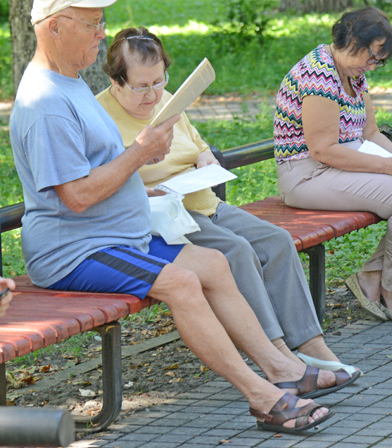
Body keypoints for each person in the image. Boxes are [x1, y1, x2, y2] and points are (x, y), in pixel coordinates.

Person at [8, 0, 353, 434]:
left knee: (212, 263)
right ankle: (263, 397)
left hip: (116, 235)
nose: (102, 33)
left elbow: (95, 173)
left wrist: (136, 172)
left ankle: (283, 367)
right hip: (77, 250)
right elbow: (76, 196)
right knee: (183, 284)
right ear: (53, 27)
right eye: (90, 24)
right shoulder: (46, 102)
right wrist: (142, 153)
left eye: (101, 21)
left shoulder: (68, 82)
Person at [96, 26, 360, 377]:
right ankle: (278, 354)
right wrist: (140, 188)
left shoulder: (168, 101)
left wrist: (206, 160)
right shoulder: (99, 117)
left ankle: (311, 345)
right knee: (236, 250)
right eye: (141, 86)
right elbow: (103, 180)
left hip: (204, 201)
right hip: (167, 218)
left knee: (278, 241)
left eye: (158, 82)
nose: (153, 95)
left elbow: (197, 145)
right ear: (116, 83)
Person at [274, 7, 392, 322]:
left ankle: (371, 278)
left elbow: (370, 132)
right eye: (374, 57)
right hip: (307, 174)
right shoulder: (319, 74)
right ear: (352, 41)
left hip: (340, 165)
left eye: (379, 60)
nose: (375, 66)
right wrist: (387, 168)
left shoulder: (354, 72)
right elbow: (323, 150)